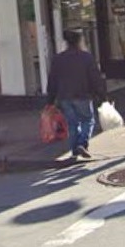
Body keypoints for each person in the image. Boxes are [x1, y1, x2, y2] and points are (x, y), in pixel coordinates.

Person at [46, 29, 108, 161]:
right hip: (82, 95)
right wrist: (101, 95)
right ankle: (82, 143)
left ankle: (75, 150)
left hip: (64, 97)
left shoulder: (58, 59)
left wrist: (50, 100)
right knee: (87, 120)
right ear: (80, 41)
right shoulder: (86, 57)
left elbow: (52, 80)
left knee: (72, 124)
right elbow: (95, 78)